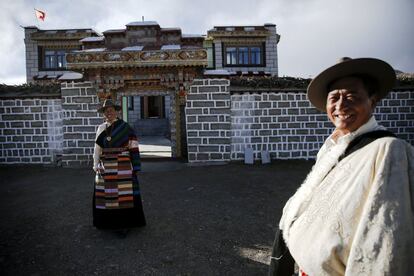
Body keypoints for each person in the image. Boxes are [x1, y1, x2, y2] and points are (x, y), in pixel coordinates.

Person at [269, 57, 414, 275]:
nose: (340, 106)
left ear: (372, 101)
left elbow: (384, 241)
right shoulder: (332, 147)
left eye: (351, 97)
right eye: (334, 98)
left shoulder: (388, 150)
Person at [92, 99, 146, 233]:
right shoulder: (101, 128)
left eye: (111, 110)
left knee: (124, 195)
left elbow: (133, 146)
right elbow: (97, 149)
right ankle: (107, 223)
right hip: (106, 166)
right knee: (106, 194)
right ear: (103, 113)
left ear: (116, 111)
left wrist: (135, 166)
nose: (109, 112)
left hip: (123, 166)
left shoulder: (125, 127)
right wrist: (95, 164)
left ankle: (124, 225)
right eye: (106, 111)